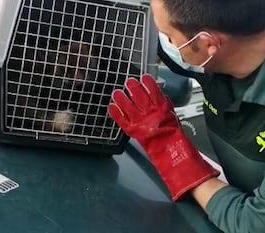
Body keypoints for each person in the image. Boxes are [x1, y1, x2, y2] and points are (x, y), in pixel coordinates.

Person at [108, 0, 265, 233]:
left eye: (168, 36)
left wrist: (173, 153)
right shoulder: (224, 52)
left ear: (207, 43)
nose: (166, 44)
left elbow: (252, 223)